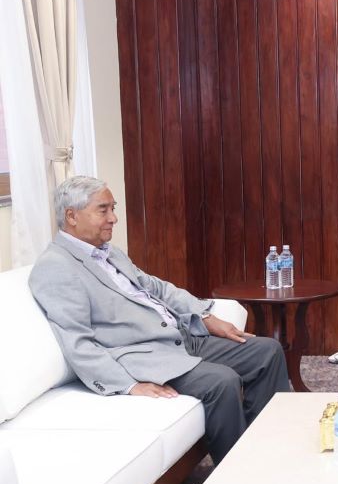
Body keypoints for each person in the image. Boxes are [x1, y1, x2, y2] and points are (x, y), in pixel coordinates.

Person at [28, 176, 290, 464]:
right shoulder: (56, 268)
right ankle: (239, 472)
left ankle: (266, 448)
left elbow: (156, 288)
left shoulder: (109, 252)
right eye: (103, 210)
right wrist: (128, 385)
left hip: (179, 337)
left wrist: (206, 316)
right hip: (146, 356)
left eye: (113, 208)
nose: (113, 218)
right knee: (222, 381)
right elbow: (77, 342)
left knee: (267, 352)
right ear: (71, 216)